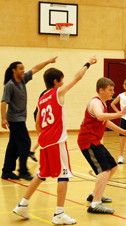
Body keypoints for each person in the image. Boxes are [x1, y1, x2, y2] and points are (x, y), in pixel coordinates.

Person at [13, 56, 97, 224]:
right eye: (61, 81)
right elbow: (77, 78)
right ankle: (59, 213)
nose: (63, 83)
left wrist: (42, 137)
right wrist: (88, 63)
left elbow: (37, 123)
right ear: (56, 81)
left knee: (41, 174)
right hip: (57, 141)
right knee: (63, 175)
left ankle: (23, 204)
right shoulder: (57, 92)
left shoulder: (42, 98)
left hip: (44, 141)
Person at [77, 77, 126, 214]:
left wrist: (124, 132)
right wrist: (119, 114)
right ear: (101, 90)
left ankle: (94, 194)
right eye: (110, 90)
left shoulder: (103, 104)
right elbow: (99, 116)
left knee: (113, 167)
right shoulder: (96, 102)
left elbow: (106, 122)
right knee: (104, 170)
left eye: (113, 90)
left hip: (95, 140)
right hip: (88, 141)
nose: (113, 92)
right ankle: (95, 204)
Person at [1, 57, 57, 181]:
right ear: (13, 70)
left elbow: (36, 68)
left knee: (13, 146)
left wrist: (48, 61)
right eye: (20, 69)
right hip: (15, 119)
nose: (23, 71)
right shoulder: (10, 85)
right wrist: (3, 119)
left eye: (23, 69)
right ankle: (22, 171)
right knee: (25, 143)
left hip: (20, 118)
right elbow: (4, 102)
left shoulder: (22, 80)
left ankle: (6, 171)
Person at [28, 90, 47, 162]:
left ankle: (32, 151)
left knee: (45, 136)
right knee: (44, 136)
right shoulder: (47, 93)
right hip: (41, 115)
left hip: (43, 115)